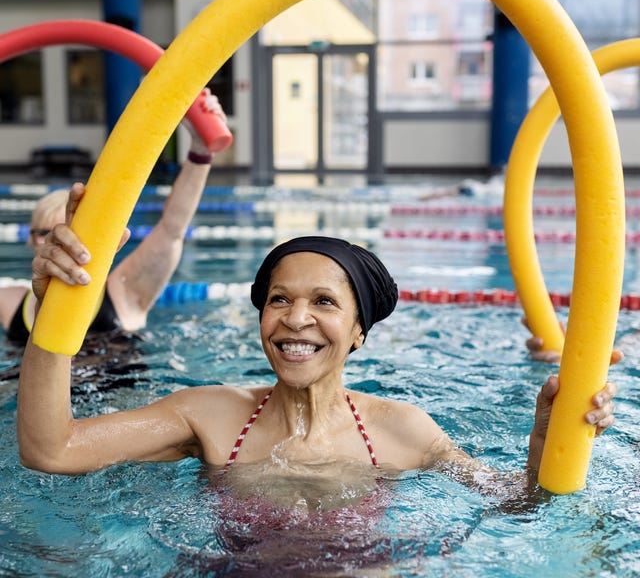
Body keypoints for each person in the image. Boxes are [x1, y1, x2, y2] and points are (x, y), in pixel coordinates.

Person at [17, 206, 617, 505]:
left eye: (324, 301)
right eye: (278, 299)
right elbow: (51, 449)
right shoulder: (207, 415)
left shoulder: (406, 431)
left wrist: (547, 435)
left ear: (358, 332)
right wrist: (56, 313)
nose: (295, 319)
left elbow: (522, 503)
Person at [0, 89, 227, 349]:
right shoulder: (9, 302)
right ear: (30, 240)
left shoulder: (124, 292)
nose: (56, 243)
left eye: (66, 233)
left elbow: (172, 229)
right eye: (45, 233)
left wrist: (200, 149)